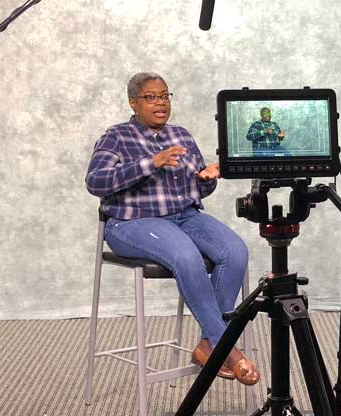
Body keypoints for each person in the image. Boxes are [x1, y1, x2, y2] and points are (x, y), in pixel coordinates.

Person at [85, 72, 259, 385]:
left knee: (235, 251)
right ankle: (225, 347)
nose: (161, 102)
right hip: (132, 222)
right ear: (134, 103)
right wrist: (151, 163)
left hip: (185, 216)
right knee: (188, 257)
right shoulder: (117, 136)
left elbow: (196, 192)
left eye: (165, 95)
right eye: (151, 97)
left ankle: (208, 344)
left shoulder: (182, 136)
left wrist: (205, 179)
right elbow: (95, 182)